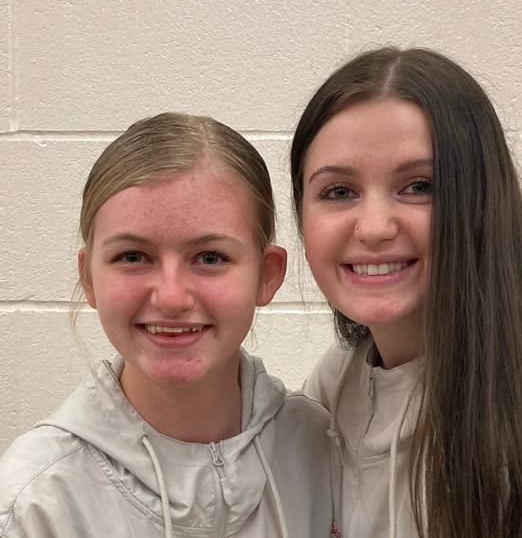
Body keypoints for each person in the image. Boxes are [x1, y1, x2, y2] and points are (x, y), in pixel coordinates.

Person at [290, 47, 522, 538]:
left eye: (420, 186)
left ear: (482, 204)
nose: (374, 227)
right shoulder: (337, 381)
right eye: (339, 191)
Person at [0, 112, 332, 538]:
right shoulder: (31, 504)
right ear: (88, 278)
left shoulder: (325, 450)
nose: (171, 298)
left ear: (267, 275)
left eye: (210, 257)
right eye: (132, 257)